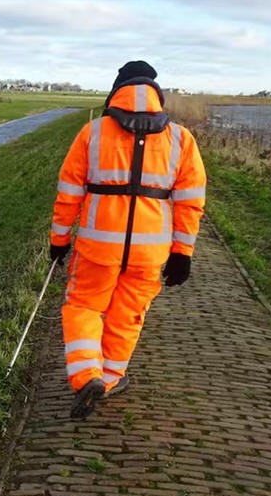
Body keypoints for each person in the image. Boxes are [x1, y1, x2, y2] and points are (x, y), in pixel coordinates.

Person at [49, 61, 206, 418]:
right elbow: (190, 201)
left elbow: (68, 193)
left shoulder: (93, 133)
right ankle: (109, 378)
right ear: (157, 96)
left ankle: (86, 374)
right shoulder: (181, 139)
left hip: (96, 247)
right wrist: (183, 252)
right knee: (127, 315)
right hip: (149, 253)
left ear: (116, 92)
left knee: (83, 307)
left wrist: (59, 240)